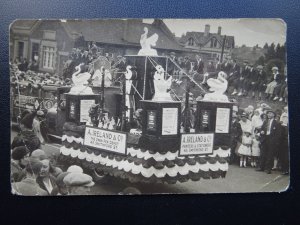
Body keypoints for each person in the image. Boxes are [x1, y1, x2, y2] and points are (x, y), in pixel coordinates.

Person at [257, 109, 280, 174]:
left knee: (270, 154)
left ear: (274, 115)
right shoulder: (265, 121)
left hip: (271, 140)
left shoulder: (276, 123)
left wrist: (275, 141)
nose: (269, 115)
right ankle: (261, 167)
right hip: (265, 138)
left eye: (270, 113)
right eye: (268, 113)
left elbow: (278, 134)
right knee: (263, 153)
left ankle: (268, 169)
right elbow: (261, 129)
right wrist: (261, 132)